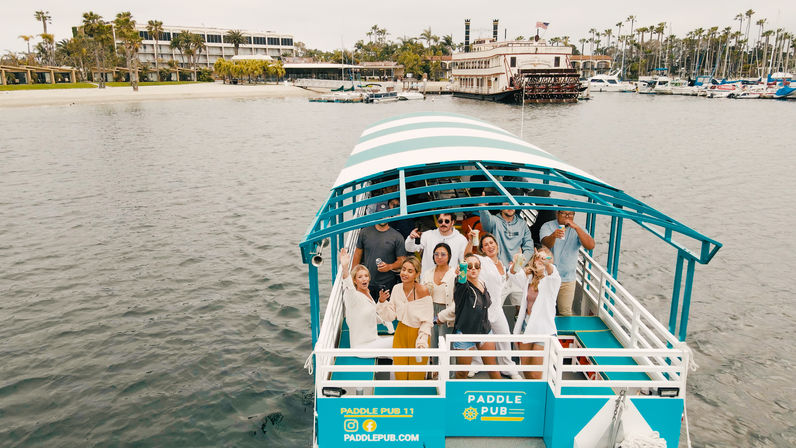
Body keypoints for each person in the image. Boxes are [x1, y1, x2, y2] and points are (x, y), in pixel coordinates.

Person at [465, 231, 522, 379]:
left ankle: (508, 368)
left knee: (504, 336)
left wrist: (516, 265)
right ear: (482, 249)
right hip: (482, 308)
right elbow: (467, 257)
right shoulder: (481, 261)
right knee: (480, 337)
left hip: (497, 308)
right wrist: (471, 241)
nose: (490, 246)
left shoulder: (502, 264)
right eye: (486, 245)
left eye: (492, 243)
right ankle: (476, 365)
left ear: (497, 245)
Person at [444, 253, 502, 380]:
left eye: (476, 266)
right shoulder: (462, 286)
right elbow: (461, 281)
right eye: (469, 266)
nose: (473, 269)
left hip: (484, 330)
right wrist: (461, 273)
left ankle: (501, 395)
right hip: (465, 332)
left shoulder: (482, 283)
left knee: (493, 369)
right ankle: (457, 398)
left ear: (480, 268)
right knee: (462, 373)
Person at [377, 257, 433, 380]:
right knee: (400, 372)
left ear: (417, 274)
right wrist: (382, 302)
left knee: (416, 374)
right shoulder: (397, 288)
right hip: (401, 333)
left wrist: (422, 341)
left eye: (410, 271)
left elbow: (427, 321)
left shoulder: (423, 290)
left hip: (418, 335)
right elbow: (390, 316)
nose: (405, 273)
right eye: (403, 269)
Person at [511, 246, 560, 379]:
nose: (540, 260)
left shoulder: (552, 281)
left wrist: (546, 263)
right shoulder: (529, 278)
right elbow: (514, 274)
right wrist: (517, 262)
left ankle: (538, 398)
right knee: (526, 370)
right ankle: (529, 397)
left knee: (536, 373)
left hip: (544, 330)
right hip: (526, 327)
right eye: (538, 257)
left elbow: (552, 273)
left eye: (544, 258)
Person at [539, 210, 595, 316]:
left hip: (568, 279)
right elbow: (546, 244)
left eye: (570, 214)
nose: (567, 216)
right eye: (563, 214)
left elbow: (590, 246)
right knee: (545, 309)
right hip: (547, 277)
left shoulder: (578, 229)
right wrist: (554, 236)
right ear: (557, 214)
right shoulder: (548, 226)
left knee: (565, 312)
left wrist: (577, 228)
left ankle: (562, 332)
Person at [338, 248, 395, 352]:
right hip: (362, 347)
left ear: (369, 278)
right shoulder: (353, 297)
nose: (364, 279)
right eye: (360, 277)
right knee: (399, 342)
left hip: (373, 340)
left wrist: (381, 302)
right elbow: (348, 284)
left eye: (366, 276)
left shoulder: (367, 294)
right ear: (355, 280)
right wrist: (345, 267)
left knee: (399, 348)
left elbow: (372, 315)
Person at [478, 207, 535, 309]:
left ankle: (519, 324)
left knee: (522, 307)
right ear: (501, 206)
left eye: (512, 204)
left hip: (516, 271)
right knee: (494, 307)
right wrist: (483, 207)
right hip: (499, 273)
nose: (510, 207)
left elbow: (529, 248)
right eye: (506, 203)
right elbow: (486, 224)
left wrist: (519, 263)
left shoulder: (522, 224)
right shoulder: (495, 220)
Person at [353, 202, 407, 300]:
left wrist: (389, 266)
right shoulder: (364, 232)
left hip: (387, 283)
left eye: (385, 215)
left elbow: (402, 260)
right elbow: (357, 255)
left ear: (390, 216)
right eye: (380, 214)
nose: (383, 217)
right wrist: (353, 279)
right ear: (375, 215)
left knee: (385, 312)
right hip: (366, 282)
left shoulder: (397, 237)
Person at [422, 243, 455, 353]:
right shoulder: (427, 273)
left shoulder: (454, 273)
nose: (439, 257)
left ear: (449, 256)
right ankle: (434, 370)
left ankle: (448, 371)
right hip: (430, 311)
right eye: (436, 254)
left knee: (445, 347)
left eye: (443, 254)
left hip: (447, 311)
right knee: (432, 345)